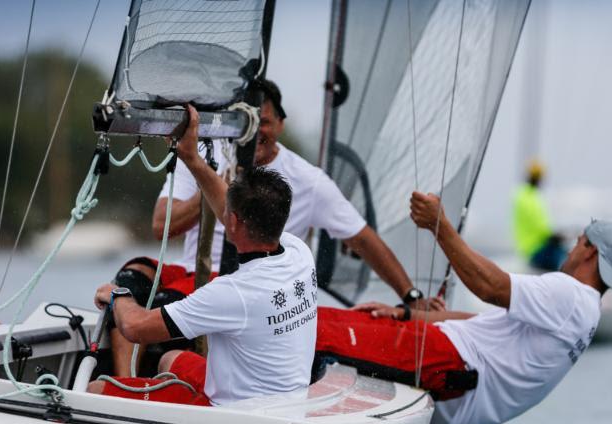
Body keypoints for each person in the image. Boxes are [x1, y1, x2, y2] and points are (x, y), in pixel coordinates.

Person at [108, 79, 435, 376]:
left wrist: (411, 296)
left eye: (262, 122)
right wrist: (210, 182)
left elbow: (363, 239)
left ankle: (145, 392)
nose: (254, 132)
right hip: (194, 273)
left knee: (157, 309)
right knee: (131, 277)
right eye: (244, 122)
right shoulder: (201, 152)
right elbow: (161, 226)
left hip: (244, 290)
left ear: (280, 123)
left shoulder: (308, 181)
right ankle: (123, 382)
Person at [316, 191, 612, 424]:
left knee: (316, 332)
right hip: (448, 353)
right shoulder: (585, 312)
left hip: (452, 363)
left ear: (590, 250)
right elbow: (481, 323)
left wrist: (438, 225)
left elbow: (489, 286)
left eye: (578, 241)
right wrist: (404, 315)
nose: (571, 249)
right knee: (321, 320)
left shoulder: (571, 295)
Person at [88, 111, 317, 405]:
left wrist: (118, 294)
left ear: (232, 223)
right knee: (170, 359)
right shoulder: (298, 253)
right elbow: (228, 207)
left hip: (235, 415)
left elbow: (135, 327)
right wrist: (192, 159)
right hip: (286, 398)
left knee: (94, 390)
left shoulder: (232, 292)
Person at [512, 159, 567, 271]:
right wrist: (554, 236)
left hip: (530, 248)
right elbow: (538, 226)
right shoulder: (529, 197)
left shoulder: (524, 194)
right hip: (536, 249)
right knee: (568, 259)